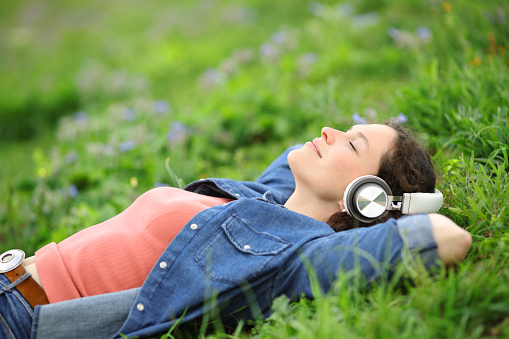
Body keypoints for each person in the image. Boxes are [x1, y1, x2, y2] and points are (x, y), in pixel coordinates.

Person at [0, 121, 472, 339]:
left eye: (352, 142)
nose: (328, 130)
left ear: (365, 196)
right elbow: (289, 157)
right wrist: (352, 156)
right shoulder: (260, 198)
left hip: (23, 318)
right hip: (11, 279)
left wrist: (399, 204)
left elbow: (447, 238)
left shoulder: (289, 257)